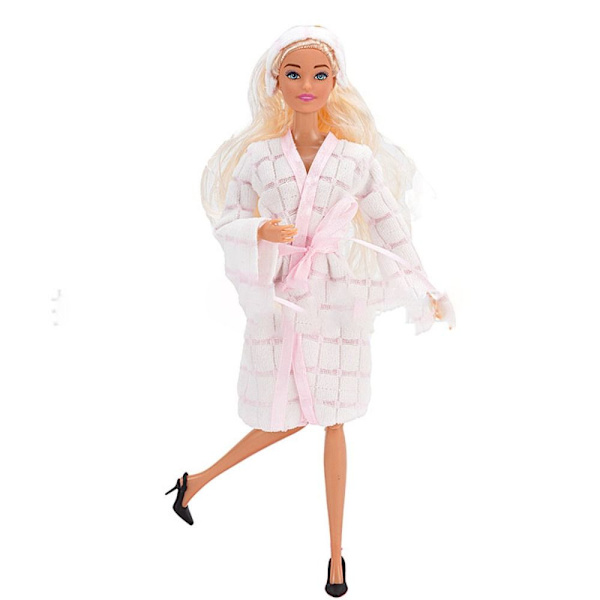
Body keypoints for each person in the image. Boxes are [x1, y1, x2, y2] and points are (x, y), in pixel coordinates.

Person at [166, 24, 456, 597]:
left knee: (334, 415)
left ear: (335, 82)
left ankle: (335, 556)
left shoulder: (355, 159)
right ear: (275, 82)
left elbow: (390, 223)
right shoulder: (258, 158)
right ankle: (195, 481)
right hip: (280, 296)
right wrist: (260, 229)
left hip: (336, 298)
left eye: (319, 74)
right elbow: (228, 219)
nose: (307, 84)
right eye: (294, 73)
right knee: (288, 411)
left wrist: (423, 281)